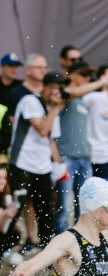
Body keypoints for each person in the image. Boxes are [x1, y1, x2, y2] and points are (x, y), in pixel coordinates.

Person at [7, 71, 67, 250]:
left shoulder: (52, 109)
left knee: (46, 212)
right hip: (22, 163)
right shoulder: (30, 101)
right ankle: (6, 246)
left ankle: (47, 251)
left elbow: (50, 139)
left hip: (43, 167)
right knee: (16, 208)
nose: (58, 93)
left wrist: (59, 164)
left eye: (59, 90)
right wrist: (55, 108)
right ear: (46, 88)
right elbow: (42, 129)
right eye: (55, 89)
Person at [55, 62, 108, 231]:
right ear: (71, 75)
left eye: (90, 76)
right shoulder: (64, 93)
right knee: (65, 204)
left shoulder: (84, 99)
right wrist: (102, 81)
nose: (87, 78)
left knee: (84, 202)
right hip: (66, 156)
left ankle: (80, 237)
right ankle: (59, 239)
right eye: (83, 74)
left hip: (83, 157)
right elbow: (73, 92)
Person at [0, 52, 24, 157]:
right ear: (2, 67)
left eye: (16, 66)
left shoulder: (21, 86)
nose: (14, 69)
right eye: (10, 66)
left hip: (15, 129)